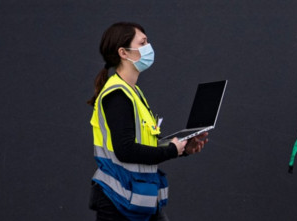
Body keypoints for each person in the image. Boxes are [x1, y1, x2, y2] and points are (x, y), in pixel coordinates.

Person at [87, 22, 209, 221]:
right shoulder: (117, 95)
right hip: (118, 199)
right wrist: (171, 150)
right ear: (123, 53)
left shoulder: (134, 92)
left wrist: (184, 148)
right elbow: (125, 150)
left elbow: (146, 144)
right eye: (143, 43)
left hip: (137, 196)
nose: (149, 48)